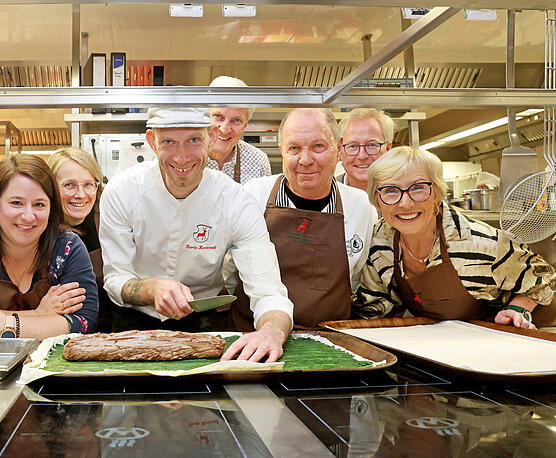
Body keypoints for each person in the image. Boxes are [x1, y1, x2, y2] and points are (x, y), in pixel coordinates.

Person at [99, 107, 294, 363]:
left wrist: (271, 331)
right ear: (151, 142)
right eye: (169, 142)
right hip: (133, 325)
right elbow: (116, 279)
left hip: (204, 324)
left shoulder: (235, 201)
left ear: (211, 137)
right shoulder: (122, 192)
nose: (182, 158)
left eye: (193, 140)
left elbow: (268, 292)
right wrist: (150, 288)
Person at [354, 146, 556, 328]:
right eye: (390, 191)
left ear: (437, 194)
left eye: (418, 188)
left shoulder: (477, 242)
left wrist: (518, 310)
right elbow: (376, 308)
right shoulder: (380, 241)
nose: (405, 203)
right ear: (377, 200)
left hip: (502, 337)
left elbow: (544, 276)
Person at [228, 108, 378, 330]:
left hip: (330, 341)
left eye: (318, 146)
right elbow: (230, 272)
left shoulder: (361, 206)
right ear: (282, 151)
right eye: (294, 148)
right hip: (252, 336)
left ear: (338, 149)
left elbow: (355, 280)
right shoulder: (252, 195)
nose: (305, 160)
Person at [0, 154, 98, 339]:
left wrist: (4, 323)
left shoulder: (68, 247)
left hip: (51, 366)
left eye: (39, 204)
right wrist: (40, 315)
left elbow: (85, 322)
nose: (28, 216)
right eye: (16, 203)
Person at [48, 147, 113, 328]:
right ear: (50, 187)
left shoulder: (108, 221)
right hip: (56, 329)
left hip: (110, 331)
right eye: (69, 185)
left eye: (88, 184)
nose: (81, 194)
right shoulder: (38, 227)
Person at [205, 76, 271, 184]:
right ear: (206, 117)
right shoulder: (189, 156)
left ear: (244, 126)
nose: (225, 129)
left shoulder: (259, 161)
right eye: (218, 116)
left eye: (236, 120)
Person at [336, 108, 394, 190]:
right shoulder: (324, 195)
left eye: (371, 145)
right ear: (340, 149)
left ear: (388, 149)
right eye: (353, 146)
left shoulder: (406, 194)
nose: (362, 156)